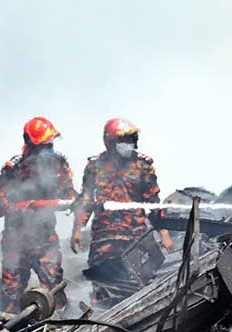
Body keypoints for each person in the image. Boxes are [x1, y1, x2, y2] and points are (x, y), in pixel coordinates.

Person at [0, 117, 75, 312]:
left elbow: (70, 197)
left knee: (55, 289)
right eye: (44, 146)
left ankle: (64, 329)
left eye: (50, 144)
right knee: (10, 294)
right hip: (15, 241)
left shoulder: (59, 165)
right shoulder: (13, 169)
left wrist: (46, 204)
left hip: (45, 239)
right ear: (30, 144)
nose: (48, 150)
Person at [71, 118, 173, 287]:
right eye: (124, 140)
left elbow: (153, 202)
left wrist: (164, 234)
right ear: (110, 142)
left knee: (140, 282)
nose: (129, 144)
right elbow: (86, 200)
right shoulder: (95, 166)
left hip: (135, 237)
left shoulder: (142, 165)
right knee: (101, 282)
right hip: (104, 237)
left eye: (131, 139)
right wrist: (77, 230)